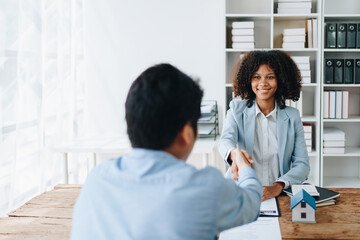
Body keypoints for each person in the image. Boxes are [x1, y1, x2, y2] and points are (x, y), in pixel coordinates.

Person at [71, 63, 262, 240]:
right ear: (187, 133)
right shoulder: (204, 187)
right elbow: (252, 204)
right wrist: (243, 165)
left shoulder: (97, 179)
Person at [218, 50, 310, 201]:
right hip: (241, 190)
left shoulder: (292, 116)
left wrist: (278, 186)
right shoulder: (236, 110)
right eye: (256, 77)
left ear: (281, 80)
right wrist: (233, 153)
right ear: (249, 80)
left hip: (277, 195)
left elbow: (302, 165)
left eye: (270, 77)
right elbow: (225, 141)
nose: (263, 83)